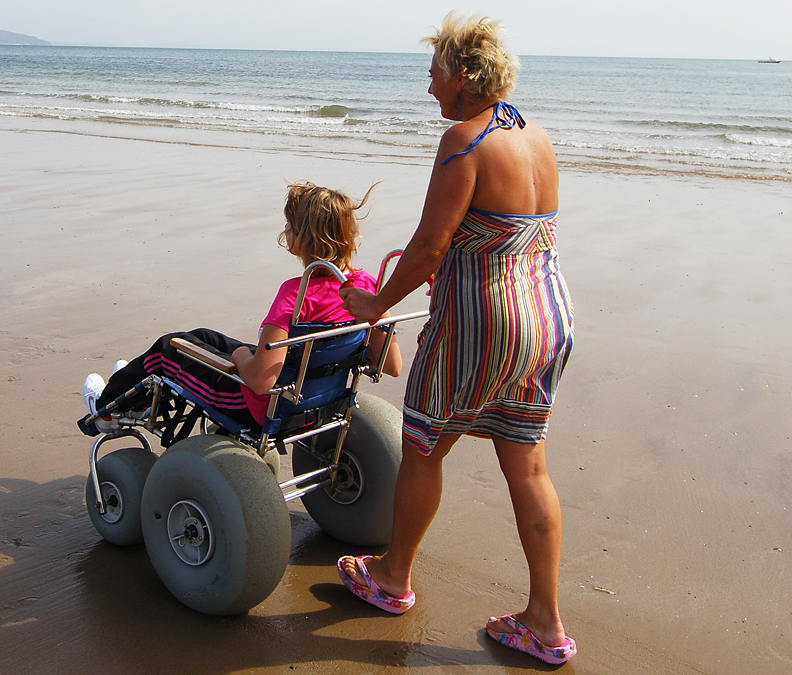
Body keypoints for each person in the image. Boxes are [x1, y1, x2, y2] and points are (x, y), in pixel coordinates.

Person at [333, 12, 577, 666]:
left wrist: (374, 302)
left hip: (482, 321)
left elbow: (429, 246)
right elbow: (513, 230)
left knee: (423, 445)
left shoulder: (464, 143)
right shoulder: (536, 135)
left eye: (434, 73)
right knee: (527, 463)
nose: (428, 88)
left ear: (465, 75)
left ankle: (390, 577)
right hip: (547, 314)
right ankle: (545, 623)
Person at [80, 181, 402, 434]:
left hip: (262, 407)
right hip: (323, 401)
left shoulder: (295, 296)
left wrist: (239, 357)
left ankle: (105, 409)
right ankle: (131, 391)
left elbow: (260, 381)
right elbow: (391, 364)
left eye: (290, 225)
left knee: (168, 350)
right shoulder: (367, 288)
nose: (285, 230)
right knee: (203, 337)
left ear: (304, 236)